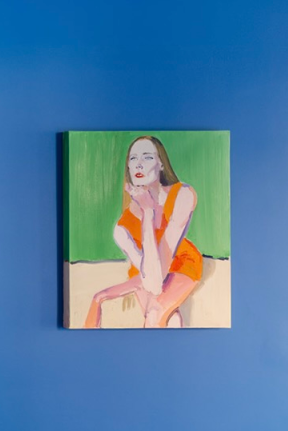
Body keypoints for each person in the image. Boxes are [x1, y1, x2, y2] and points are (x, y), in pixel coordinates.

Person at [83, 135, 201, 328]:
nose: (138, 164)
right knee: (170, 319)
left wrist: (148, 211)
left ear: (161, 164)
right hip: (146, 273)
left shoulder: (183, 195)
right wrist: (147, 212)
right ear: (128, 168)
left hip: (182, 263)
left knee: (154, 313)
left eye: (147, 157)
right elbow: (153, 281)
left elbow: (158, 275)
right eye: (133, 159)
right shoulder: (121, 229)